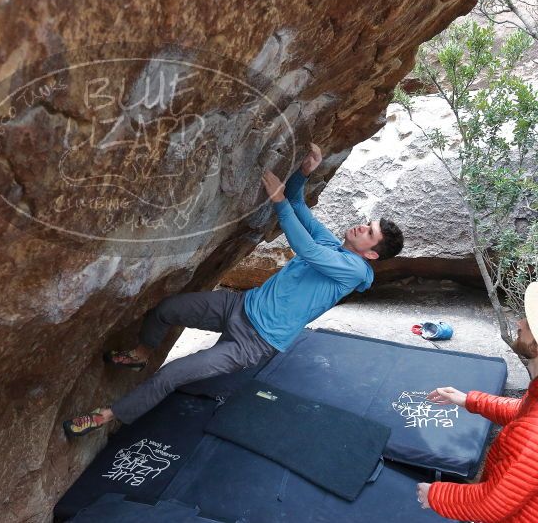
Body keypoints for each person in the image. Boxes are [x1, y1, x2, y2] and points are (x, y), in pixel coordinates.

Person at [63, 143, 405, 437]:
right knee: (167, 309)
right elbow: (300, 205)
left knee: (172, 376)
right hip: (239, 306)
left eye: (369, 232)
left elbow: (307, 249)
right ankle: (140, 354)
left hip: (254, 343)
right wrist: (303, 172)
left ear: (371, 253)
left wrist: (278, 202)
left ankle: (107, 416)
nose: (362, 226)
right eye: (368, 223)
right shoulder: (333, 244)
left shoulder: (353, 269)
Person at [417, 281, 538, 523]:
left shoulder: (531, 437)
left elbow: (492, 504)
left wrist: (436, 494)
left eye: (528, 323)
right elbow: (524, 413)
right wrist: (468, 400)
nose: (520, 323)